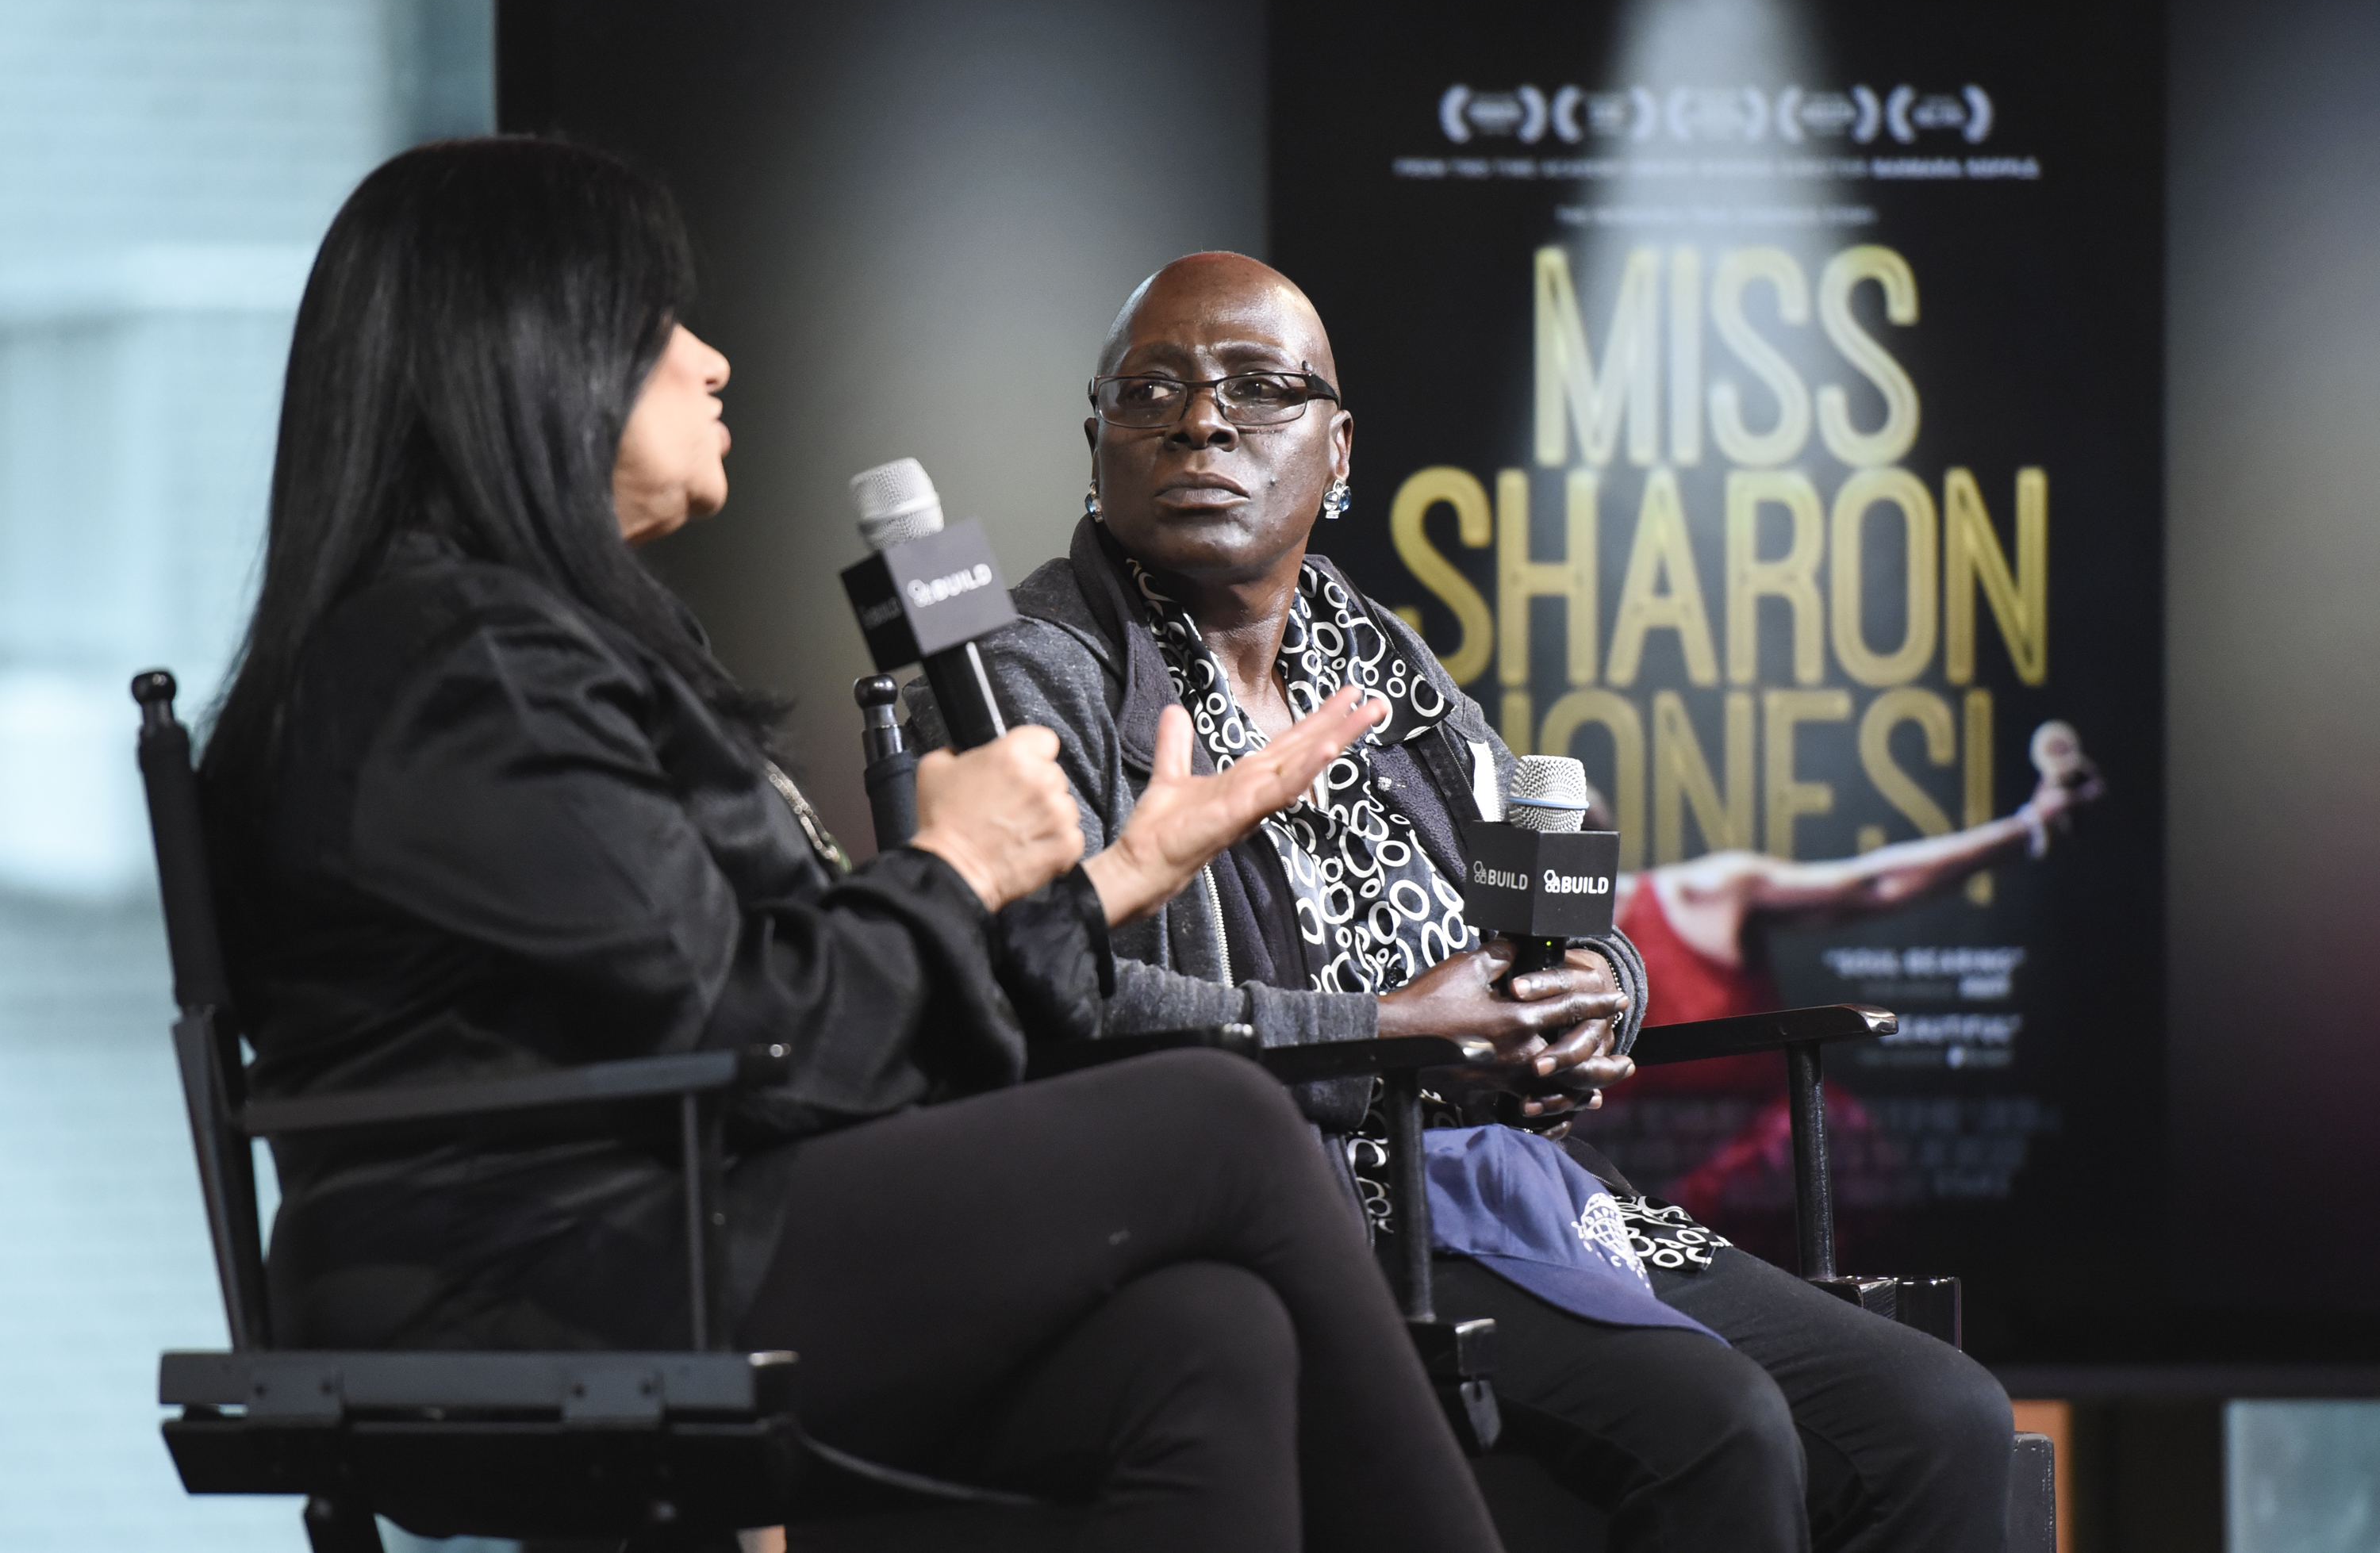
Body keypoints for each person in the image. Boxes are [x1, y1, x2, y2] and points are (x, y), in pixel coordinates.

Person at [195, 140, 1509, 1553]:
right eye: (658, 324)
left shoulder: (512, 643)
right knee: (1222, 1117)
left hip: (644, 1225)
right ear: (529, 357)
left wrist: (1118, 875)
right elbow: (753, 1025)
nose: (712, 361)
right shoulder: (463, 663)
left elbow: (738, 996)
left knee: (1202, 1334)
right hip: (537, 1271)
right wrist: (954, 869)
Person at [916, 251, 2017, 1553]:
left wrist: (1599, 987)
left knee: (1941, 1415)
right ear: (1097, 438)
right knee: (1718, 1421)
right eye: (1151, 390)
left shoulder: (1375, 655)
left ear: (1337, 452)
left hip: (1510, 1181)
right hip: (1301, 1214)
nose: (1200, 420)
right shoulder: (1029, 675)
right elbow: (1037, 1000)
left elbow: (1551, 896)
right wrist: (1385, 1028)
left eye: (1257, 387)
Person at [1603, 742, 2102, 1229]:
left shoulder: (1700, 898)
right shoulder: (1552, 959)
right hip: (1630, 1206)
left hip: (1784, 1183)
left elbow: (1873, 883)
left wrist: (2032, 826)